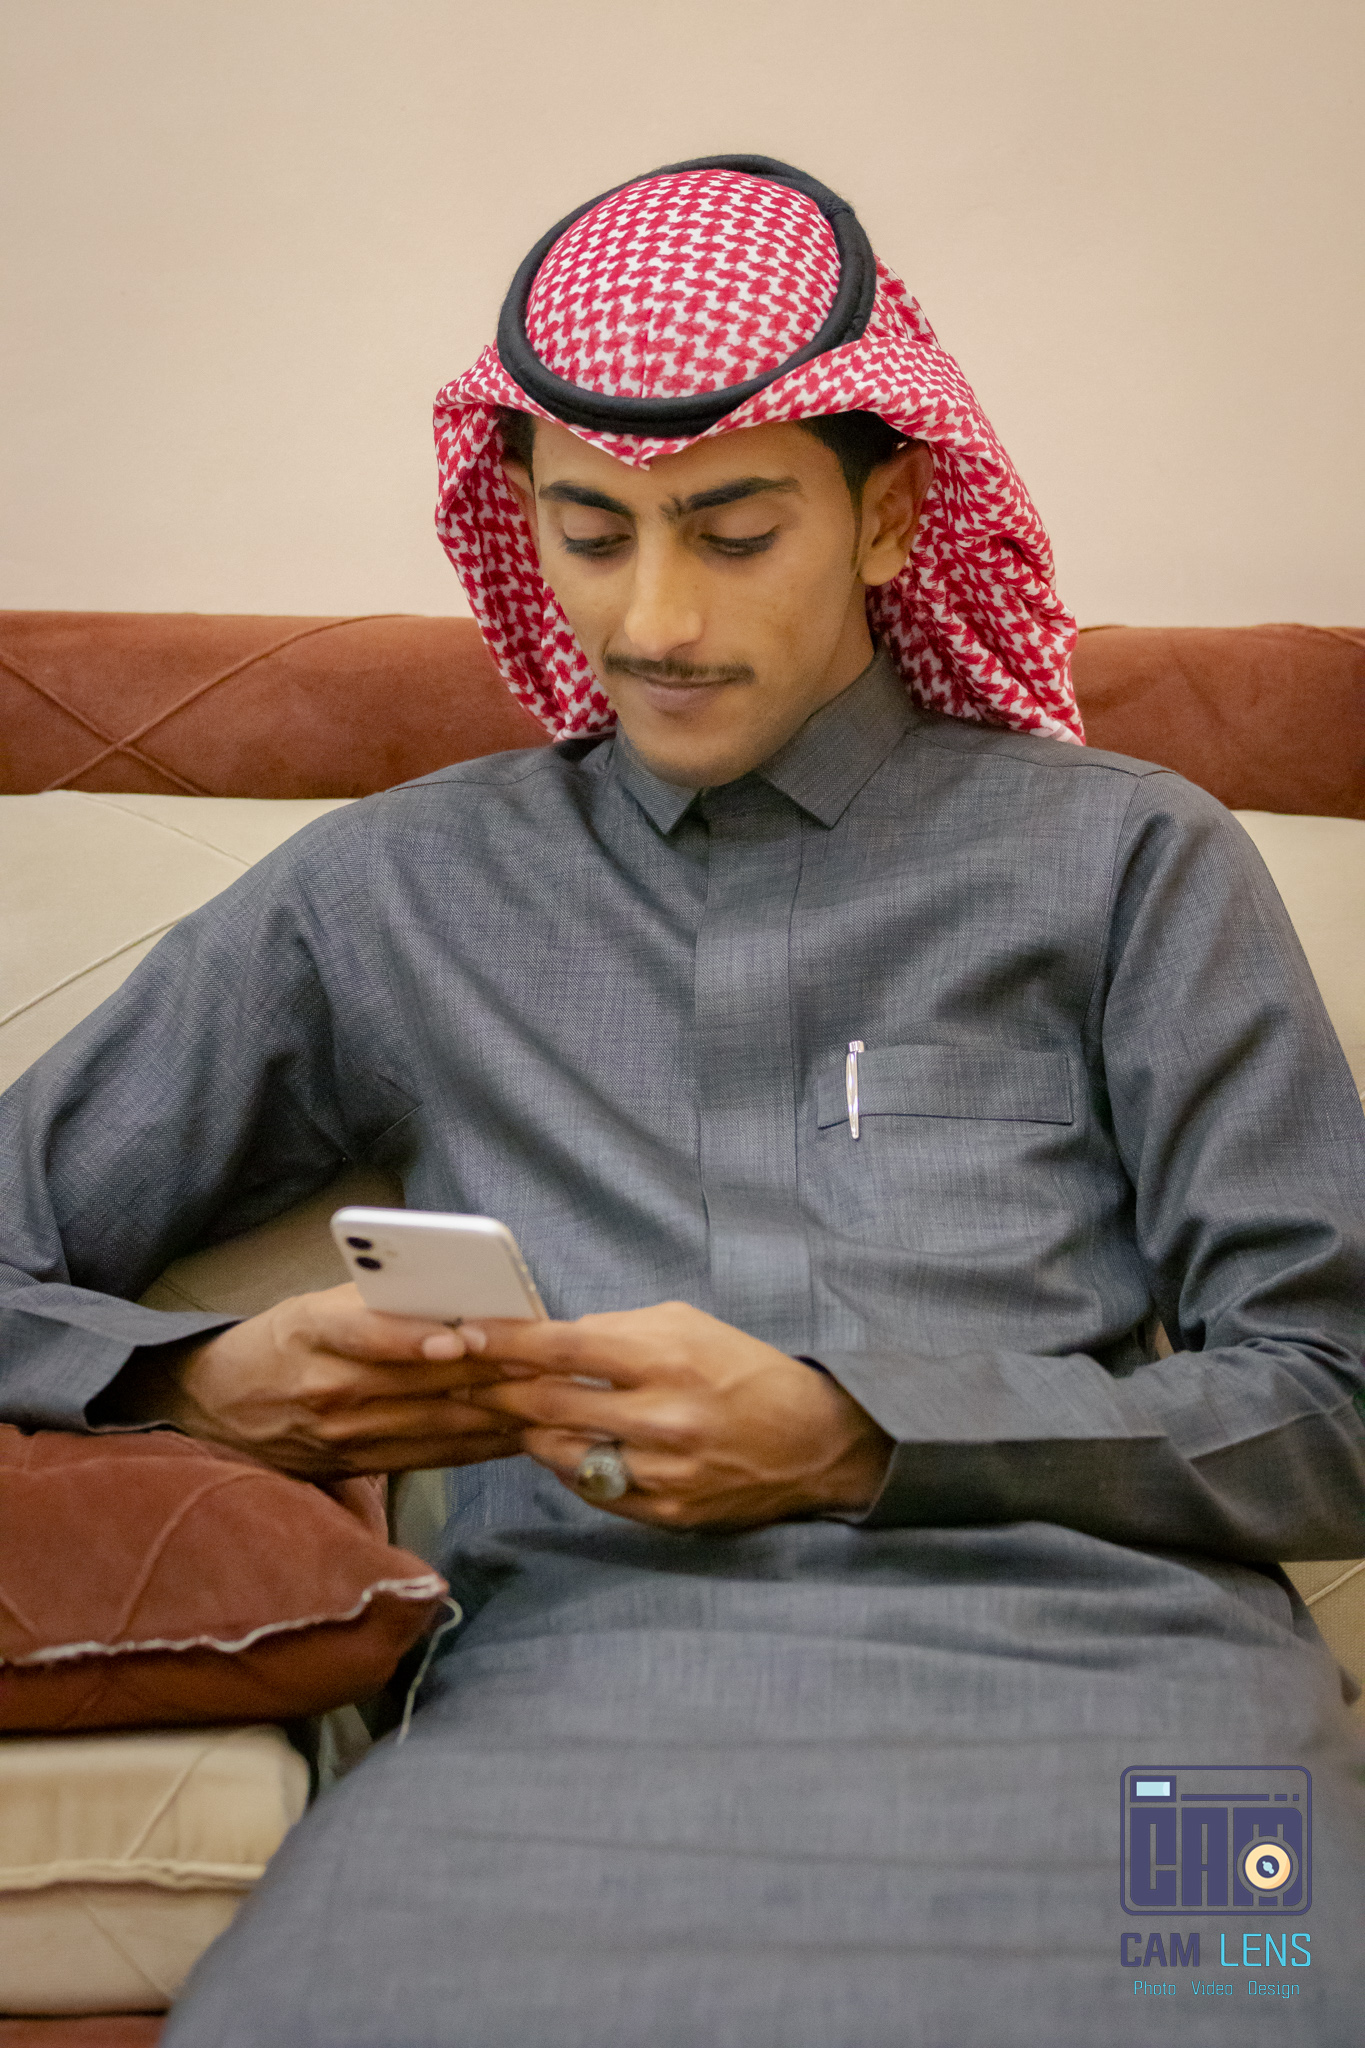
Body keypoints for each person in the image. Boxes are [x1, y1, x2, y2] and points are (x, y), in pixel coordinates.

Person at [2, 156, 1362, 2046]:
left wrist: (857, 1435)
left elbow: (1332, 1401)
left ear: (887, 516)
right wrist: (198, 1382)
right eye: (589, 532)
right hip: (569, 1713)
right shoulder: (399, 890)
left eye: (730, 534)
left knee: (1262, 2009)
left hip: (1140, 1698)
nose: (650, 617)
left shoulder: (1131, 862)